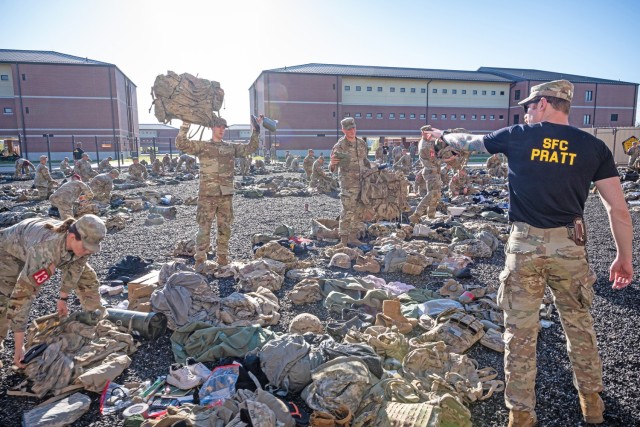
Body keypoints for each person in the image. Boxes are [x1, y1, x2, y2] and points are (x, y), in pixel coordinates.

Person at [422, 80, 633, 427]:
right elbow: (618, 210)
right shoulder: (593, 147)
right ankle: (592, 406)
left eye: (529, 106)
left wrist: (443, 135)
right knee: (579, 325)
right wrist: (624, 257)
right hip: (570, 248)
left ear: (546, 104)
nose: (526, 111)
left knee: (519, 333)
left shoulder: (518, 135)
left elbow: (470, 142)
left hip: (524, 247)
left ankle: (520, 415)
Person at [0, 214, 106, 369]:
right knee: (4, 300)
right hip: (8, 251)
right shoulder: (45, 251)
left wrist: (63, 298)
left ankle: (95, 320)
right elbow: (22, 298)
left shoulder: (81, 245)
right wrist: (18, 347)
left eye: (91, 249)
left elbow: (76, 268)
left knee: (88, 278)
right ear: (71, 237)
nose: (87, 252)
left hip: (35, 240)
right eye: (84, 247)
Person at [176, 115, 262, 267]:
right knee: (204, 229)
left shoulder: (230, 147)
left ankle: (222, 258)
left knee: (225, 229)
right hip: (207, 196)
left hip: (225, 195)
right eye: (219, 127)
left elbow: (250, 148)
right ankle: (200, 260)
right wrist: (185, 124)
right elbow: (181, 144)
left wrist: (256, 130)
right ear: (212, 128)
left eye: (223, 127)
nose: (221, 130)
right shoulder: (203, 146)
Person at [329, 117, 371, 246]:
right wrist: (331, 163)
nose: (352, 131)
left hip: (362, 182)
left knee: (359, 210)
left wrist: (371, 173)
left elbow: (365, 161)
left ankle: (353, 237)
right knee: (347, 211)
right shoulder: (340, 146)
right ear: (343, 130)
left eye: (353, 128)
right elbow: (332, 168)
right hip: (348, 184)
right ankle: (344, 240)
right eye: (349, 129)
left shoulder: (362, 143)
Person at [409, 125, 444, 223]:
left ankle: (431, 216)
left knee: (436, 195)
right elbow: (434, 160)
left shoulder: (427, 143)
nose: (432, 135)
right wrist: (447, 159)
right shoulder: (426, 145)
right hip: (431, 172)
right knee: (431, 194)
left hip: (433, 171)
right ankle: (416, 214)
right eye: (430, 133)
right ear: (424, 133)